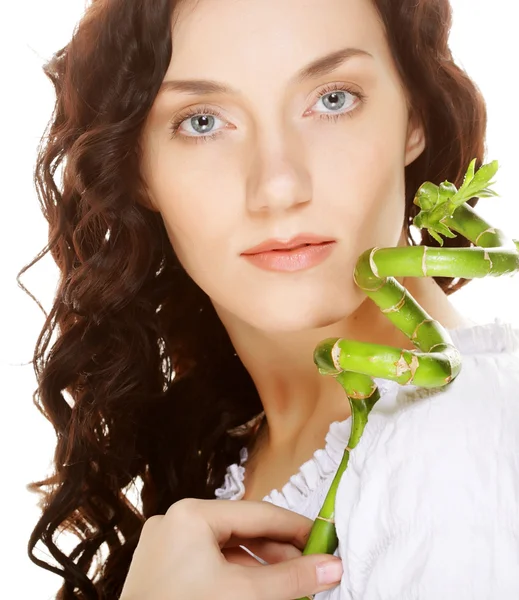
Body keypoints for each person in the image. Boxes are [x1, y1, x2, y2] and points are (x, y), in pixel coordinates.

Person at [20, 0, 519, 598]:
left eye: (333, 99)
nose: (278, 187)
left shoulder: (460, 437)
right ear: (138, 169)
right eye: (202, 121)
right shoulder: (235, 446)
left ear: (416, 118)